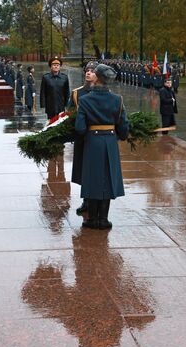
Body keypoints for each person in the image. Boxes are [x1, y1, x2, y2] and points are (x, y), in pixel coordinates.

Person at [75, 64, 130, 229]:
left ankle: (92, 219)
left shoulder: (84, 100)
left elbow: (80, 127)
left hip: (92, 142)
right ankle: (103, 219)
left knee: (92, 179)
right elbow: (123, 126)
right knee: (107, 178)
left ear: (97, 78)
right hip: (110, 142)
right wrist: (122, 135)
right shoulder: (117, 99)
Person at [67, 61, 98, 215]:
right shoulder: (77, 93)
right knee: (83, 171)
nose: (88, 72)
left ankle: (96, 201)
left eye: (92, 70)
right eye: (87, 70)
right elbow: (70, 113)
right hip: (82, 137)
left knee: (97, 171)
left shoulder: (102, 92)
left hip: (97, 138)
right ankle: (86, 201)